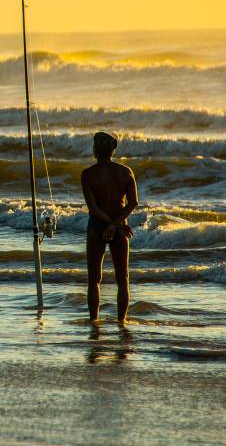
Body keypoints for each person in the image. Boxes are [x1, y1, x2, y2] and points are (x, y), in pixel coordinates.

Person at [80, 132, 138, 324]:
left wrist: (108, 226)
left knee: (94, 279)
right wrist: (115, 225)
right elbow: (133, 203)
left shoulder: (88, 174)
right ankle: (122, 322)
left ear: (96, 150)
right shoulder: (125, 172)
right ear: (113, 150)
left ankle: (94, 322)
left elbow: (93, 208)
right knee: (123, 279)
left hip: (97, 227)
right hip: (120, 227)